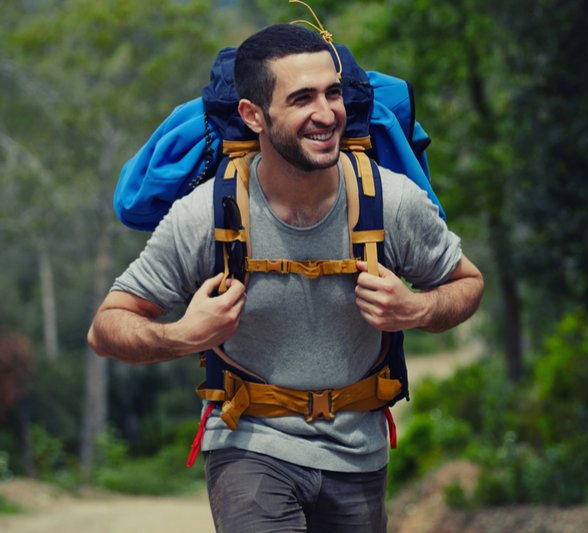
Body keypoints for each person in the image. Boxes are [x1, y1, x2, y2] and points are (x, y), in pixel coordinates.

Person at [88, 23, 483, 533]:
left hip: (359, 454)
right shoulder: (207, 214)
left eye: (333, 93)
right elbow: (107, 326)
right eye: (302, 99)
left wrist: (418, 310)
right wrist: (181, 336)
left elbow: (467, 283)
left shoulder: (390, 200)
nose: (326, 114)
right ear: (253, 115)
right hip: (248, 444)